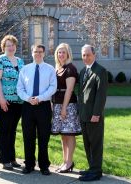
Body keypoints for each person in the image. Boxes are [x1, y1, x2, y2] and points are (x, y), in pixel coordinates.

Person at [17, 44, 57, 175]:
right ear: (32, 53)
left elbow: (53, 87)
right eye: (35, 51)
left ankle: (44, 165)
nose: (38, 54)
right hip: (28, 106)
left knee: (43, 137)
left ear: (44, 53)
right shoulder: (25, 69)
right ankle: (29, 164)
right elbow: (20, 88)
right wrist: (29, 98)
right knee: (28, 136)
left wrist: (39, 98)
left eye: (40, 52)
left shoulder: (50, 69)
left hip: (43, 106)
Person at [0, 35, 24, 170]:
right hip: (4, 101)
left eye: (12, 45)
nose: (11, 47)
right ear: (3, 47)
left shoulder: (20, 61)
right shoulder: (0, 60)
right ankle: (4, 159)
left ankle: (12, 158)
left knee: (13, 130)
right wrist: (2, 98)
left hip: (19, 101)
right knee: (5, 129)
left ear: (16, 46)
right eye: (8, 45)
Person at [78, 44, 108, 181]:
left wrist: (96, 114)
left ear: (94, 55)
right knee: (87, 143)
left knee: (95, 144)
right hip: (84, 114)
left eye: (88, 55)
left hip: (94, 116)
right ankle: (92, 168)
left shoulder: (100, 71)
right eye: (83, 55)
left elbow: (101, 95)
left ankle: (96, 171)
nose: (85, 57)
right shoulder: (83, 71)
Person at [51, 43, 81, 173]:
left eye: (63, 52)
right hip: (57, 104)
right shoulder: (58, 68)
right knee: (63, 135)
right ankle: (64, 161)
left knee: (69, 134)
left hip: (68, 105)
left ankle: (69, 162)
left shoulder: (70, 68)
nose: (61, 54)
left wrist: (64, 108)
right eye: (59, 52)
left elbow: (69, 90)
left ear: (68, 54)